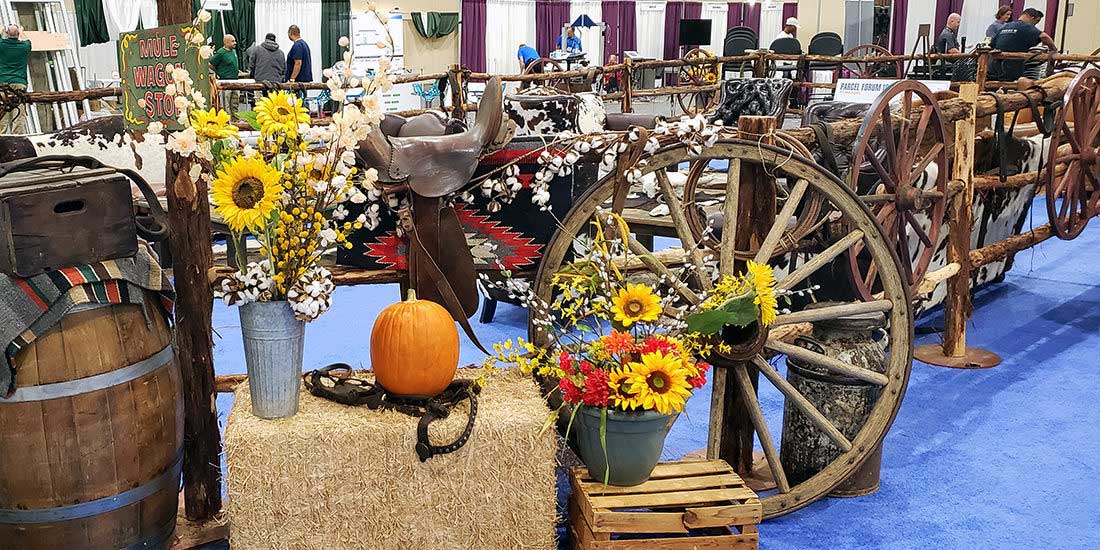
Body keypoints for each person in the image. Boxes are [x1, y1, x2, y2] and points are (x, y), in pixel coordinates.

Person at [991, 8, 1058, 81]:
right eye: (1036, 22)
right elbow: (1044, 36)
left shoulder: (1005, 26)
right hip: (1011, 68)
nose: (1035, 25)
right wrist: (1053, 50)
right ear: (1032, 18)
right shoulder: (1027, 27)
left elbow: (992, 44)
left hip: (994, 68)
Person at [0, 24, 30, 134]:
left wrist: (2, 31)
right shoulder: (24, 47)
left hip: (2, 82)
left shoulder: (1, 45)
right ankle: (18, 136)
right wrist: (21, 31)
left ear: (7, 34)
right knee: (19, 111)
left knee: (2, 109)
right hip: (19, 83)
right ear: (18, 34)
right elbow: (27, 40)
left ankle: (1, 135)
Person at [209, 34, 240, 114]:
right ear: (226, 42)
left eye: (235, 41)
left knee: (235, 102)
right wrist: (218, 72)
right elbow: (210, 63)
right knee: (225, 104)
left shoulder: (234, 51)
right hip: (225, 82)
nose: (235, 43)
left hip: (235, 81)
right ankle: (226, 119)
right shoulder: (221, 53)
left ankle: (235, 118)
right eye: (232, 41)